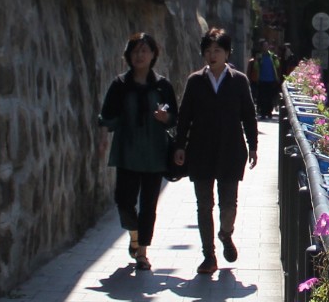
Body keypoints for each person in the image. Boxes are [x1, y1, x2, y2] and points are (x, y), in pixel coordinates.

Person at [174, 29, 259, 275]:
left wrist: (253, 145)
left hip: (231, 149)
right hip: (200, 149)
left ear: (227, 53)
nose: (212, 55)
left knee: (228, 204)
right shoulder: (195, 81)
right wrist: (180, 145)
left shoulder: (239, 80)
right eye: (208, 51)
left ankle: (225, 233)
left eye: (217, 50)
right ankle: (208, 255)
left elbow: (248, 115)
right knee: (204, 204)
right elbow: (184, 116)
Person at [99, 32, 178, 270]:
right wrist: (104, 135)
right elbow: (107, 116)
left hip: (154, 153)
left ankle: (142, 252)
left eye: (144, 50)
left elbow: (174, 117)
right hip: (128, 151)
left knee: (149, 205)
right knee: (124, 201)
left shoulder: (162, 86)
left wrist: (165, 118)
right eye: (135, 51)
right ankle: (134, 232)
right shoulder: (120, 85)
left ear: (153, 54)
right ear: (128, 55)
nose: (139, 55)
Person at [252, 40, 281, 118]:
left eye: (266, 45)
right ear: (261, 47)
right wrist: (257, 60)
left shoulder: (272, 56)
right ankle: (263, 113)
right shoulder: (260, 56)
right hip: (262, 80)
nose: (265, 47)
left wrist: (276, 59)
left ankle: (269, 112)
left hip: (271, 80)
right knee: (262, 97)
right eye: (264, 46)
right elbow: (256, 67)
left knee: (270, 97)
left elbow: (277, 65)